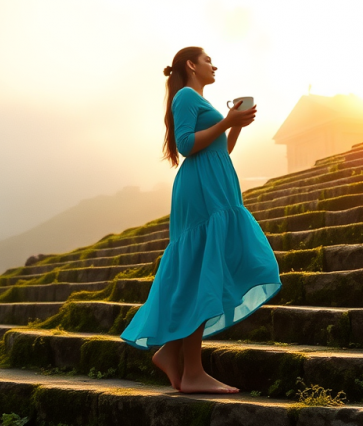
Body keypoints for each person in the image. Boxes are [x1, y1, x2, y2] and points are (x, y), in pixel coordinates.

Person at [120, 47, 282, 393]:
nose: (214, 65)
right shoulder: (185, 98)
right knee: (201, 272)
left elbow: (219, 149)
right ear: (191, 65)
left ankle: (171, 352)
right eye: (208, 60)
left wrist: (235, 127)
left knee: (207, 269)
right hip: (201, 191)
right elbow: (186, 145)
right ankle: (192, 372)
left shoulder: (199, 102)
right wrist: (227, 122)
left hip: (217, 185)